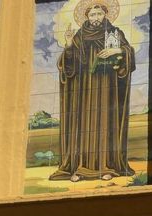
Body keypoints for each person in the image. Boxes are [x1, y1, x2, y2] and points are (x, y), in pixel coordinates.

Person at [51, 0, 136, 182]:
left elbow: (128, 52)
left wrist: (116, 51)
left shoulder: (115, 33)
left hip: (107, 88)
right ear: (86, 17)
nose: (96, 17)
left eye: (99, 14)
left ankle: (108, 167)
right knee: (83, 125)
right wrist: (68, 44)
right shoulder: (79, 36)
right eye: (92, 15)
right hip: (84, 90)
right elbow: (69, 65)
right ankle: (80, 167)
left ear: (105, 15)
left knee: (106, 123)